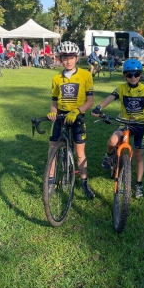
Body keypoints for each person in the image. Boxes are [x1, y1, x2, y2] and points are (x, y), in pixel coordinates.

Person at [91, 59, 144, 198]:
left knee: (139, 155)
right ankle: (109, 155)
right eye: (129, 74)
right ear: (125, 75)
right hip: (124, 122)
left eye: (136, 74)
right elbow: (109, 98)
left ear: (140, 75)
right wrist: (99, 107)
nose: (133, 77)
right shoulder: (121, 88)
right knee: (113, 141)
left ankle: (138, 185)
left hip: (140, 124)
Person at [47, 40, 95, 198]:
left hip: (77, 116)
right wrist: (53, 112)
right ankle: (51, 180)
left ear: (77, 58)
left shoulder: (86, 75)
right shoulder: (56, 79)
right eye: (64, 58)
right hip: (61, 115)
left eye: (71, 57)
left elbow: (90, 101)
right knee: (52, 148)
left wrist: (77, 111)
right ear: (60, 59)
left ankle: (84, 182)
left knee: (80, 152)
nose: (68, 61)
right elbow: (54, 101)